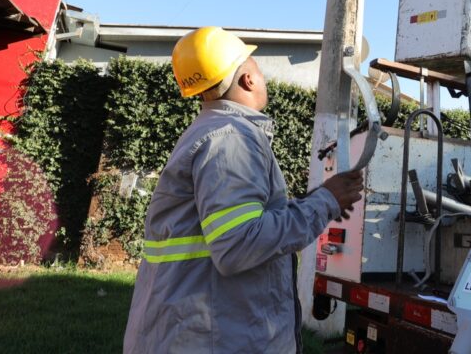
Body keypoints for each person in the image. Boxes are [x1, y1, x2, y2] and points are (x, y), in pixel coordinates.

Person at [123, 26, 364, 354]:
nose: (262, 76)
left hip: (202, 333)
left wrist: (316, 202)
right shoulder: (230, 137)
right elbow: (239, 243)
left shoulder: (211, 132)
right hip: (215, 339)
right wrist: (326, 201)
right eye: (257, 68)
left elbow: (235, 225)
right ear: (248, 79)